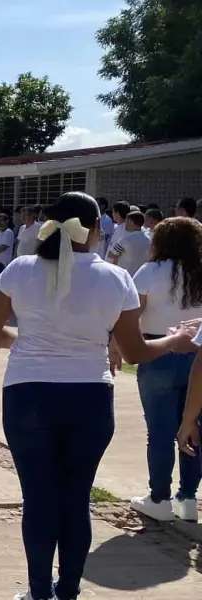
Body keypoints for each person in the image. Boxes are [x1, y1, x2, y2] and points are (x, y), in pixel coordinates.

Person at [0, 192, 197, 600]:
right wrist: (175, 340)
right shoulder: (115, 278)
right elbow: (134, 352)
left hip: (27, 394)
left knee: (39, 498)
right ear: (97, 229)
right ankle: (70, 590)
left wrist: (28, 345)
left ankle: (39, 591)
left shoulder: (20, 269)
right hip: (90, 396)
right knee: (76, 498)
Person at [128, 217, 202, 522]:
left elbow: (131, 312)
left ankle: (159, 497)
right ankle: (188, 497)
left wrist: (118, 346)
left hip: (157, 350)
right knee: (195, 426)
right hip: (198, 352)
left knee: (159, 431)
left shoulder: (150, 271)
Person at [109, 211, 152, 276]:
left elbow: (111, 254)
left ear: (131, 222)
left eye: (126, 221)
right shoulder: (149, 239)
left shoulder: (125, 239)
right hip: (143, 275)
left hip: (127, 275)